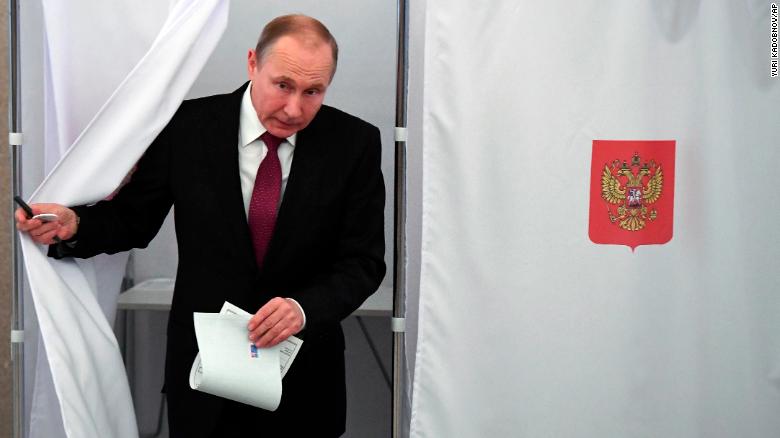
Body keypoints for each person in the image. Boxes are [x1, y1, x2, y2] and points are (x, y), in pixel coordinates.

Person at [16, 14, 385, 438]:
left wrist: (303, 308)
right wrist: (75, 223)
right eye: (282, 85)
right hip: (204, 379)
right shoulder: (187, 127)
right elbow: (133, 220)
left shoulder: (354, 143)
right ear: (252, 64)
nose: (294, 108)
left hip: (303, 383)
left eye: (313, 91)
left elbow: (363, 262)